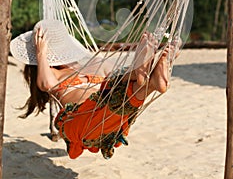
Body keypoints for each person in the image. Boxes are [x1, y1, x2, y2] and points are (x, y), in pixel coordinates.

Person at [10, 19, 176, 159]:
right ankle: (147, 81)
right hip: (80, 119)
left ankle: (148, 80)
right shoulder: (52, 73)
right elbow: (46, 84)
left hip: (106, 110)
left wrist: (40, 53)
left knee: (120, 88)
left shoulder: (89, 65)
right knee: (119, 96)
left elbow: (115, 75)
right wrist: (41, 54)